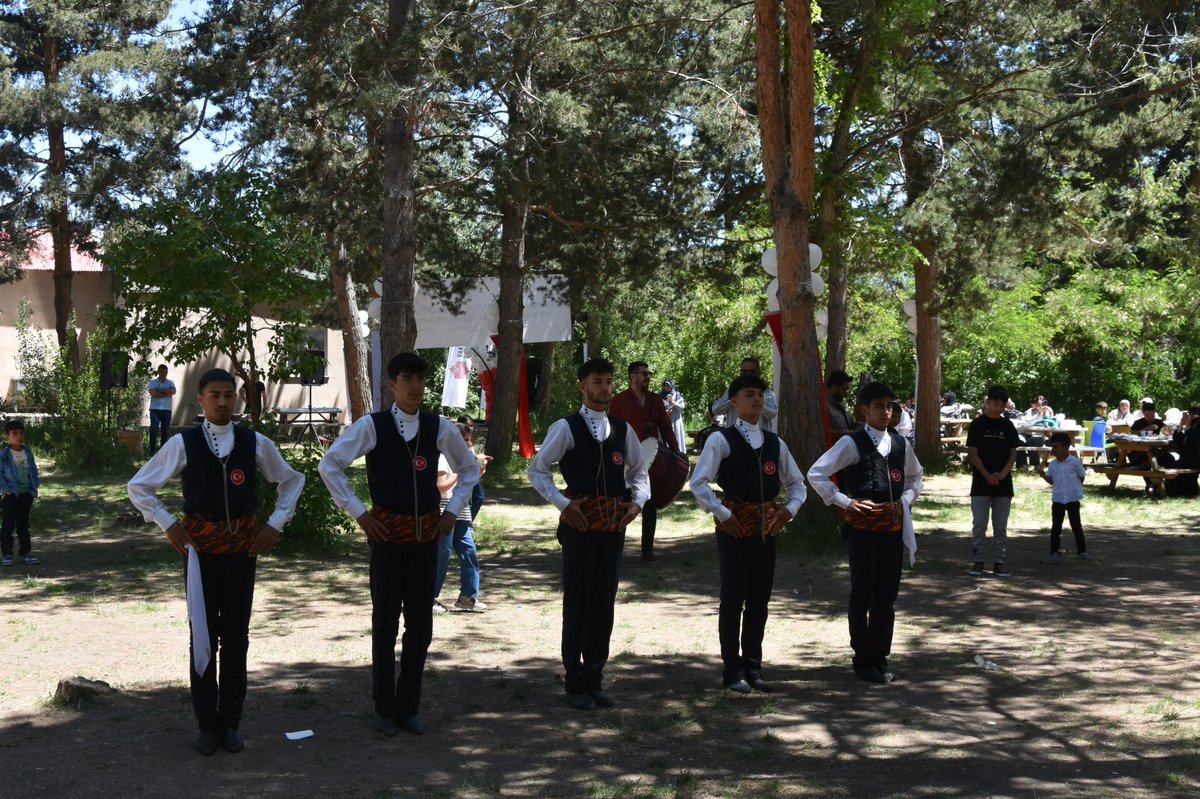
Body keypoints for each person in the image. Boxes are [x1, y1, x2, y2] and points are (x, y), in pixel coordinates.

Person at [127, 368, 304, 756]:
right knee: (203, 641)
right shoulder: (184, 444)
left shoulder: (253, 442)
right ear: (201, 401)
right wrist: (168, 524)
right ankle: (207, 724)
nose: (223, 402)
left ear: (237, 398)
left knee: (237, 640)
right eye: (215, 396)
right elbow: (139, 486)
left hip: (242, 554)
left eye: (229, 395)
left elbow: (292, 480)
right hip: (201, 557)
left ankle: (232, 723)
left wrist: (275, 524)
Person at [317, 352, 480, 737]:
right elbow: (330, 465)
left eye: (420, 378)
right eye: (407, 378)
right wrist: (359, 513)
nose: (415, 386)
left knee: (421, 624)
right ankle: (384, 706)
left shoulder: (439, 427)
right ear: (391, 384)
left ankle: (410, 704)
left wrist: (451, 511)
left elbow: (469, 469)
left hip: (426, 538)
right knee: (385, 621)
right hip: (387, 538)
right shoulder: (371, 427)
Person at [527, 358, 649, 710]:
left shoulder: (623, 430)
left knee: (604, 601)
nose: (605, 388)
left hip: (612, 526)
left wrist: (637, 503)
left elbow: (640, 473)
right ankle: (575, 682)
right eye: (597, 381)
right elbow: (538, 470)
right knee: (577, 602)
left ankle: (596, 677)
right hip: (579, 526)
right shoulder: (565, 428)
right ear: (582, 385)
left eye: (609, 381)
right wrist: (563, 505)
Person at [689, 372, 806, 693]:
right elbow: (699, 482)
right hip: (734, 527)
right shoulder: (720, 439)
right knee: (732, 598)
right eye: (749, 394)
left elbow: (797, 484)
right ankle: (732, 670)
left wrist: (787, 511)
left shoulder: (774, 443)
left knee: (759, 599)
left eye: (760, 395)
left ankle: (753, 665)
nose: (756, 400)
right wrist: (723, 513)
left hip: (766, 526)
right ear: (734, 402)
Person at [808, 382, 924, 684]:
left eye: (889, 406)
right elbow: (816, 472)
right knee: (863, 592)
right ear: (864, 410)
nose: (886, 412)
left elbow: (915, 477)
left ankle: (880, 655)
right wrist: (844, 501)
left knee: (886, 594)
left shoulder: (900, 445)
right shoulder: (852, 444)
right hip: (863, 530)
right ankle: (862, 658)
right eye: (878, 406)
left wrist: (906, 501)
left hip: (893, 528)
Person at [608, 360, 678, 562]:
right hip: (624, 459)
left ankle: (647, 550)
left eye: (649, 374)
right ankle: (615, 547)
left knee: (649, 503)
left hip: (650, 459)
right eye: (644, 374)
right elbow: (610, 429)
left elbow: (666, 428)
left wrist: (676, 452)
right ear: (633, 377)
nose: (649, 377)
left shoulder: (655, 400)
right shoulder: (619, 400)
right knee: (620, 502)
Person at [433, 421, 487, 613]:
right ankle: (430, 598)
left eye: (470, 441)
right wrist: (460, 472)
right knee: (442, 554)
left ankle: (468, 596)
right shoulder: (443, 458)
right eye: (465, 440)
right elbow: (441, 487)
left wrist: (475, 473)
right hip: (444, 511)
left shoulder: (463, 459)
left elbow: (465, 486)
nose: (469, 445)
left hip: (461, 512)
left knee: (469, 552)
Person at [966, 386, 1019, 578]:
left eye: (1002, 403)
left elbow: (1013, 454)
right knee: (979, 524)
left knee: (1000, 526)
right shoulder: (977, 424)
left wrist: (1003, 474)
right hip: (980, 483)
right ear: (988, 402)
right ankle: (978, 561)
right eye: (995, 402)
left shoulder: (1009, 426)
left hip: (1003, 484)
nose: (999, 406)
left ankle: (999, 562)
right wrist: (987, 475)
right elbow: (973, 453)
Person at [1037, 432, 1088, 562]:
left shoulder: (1075, 462)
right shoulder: (1053, 465)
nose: (1053, 449)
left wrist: (1074, 488)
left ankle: (1082, 551)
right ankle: (1054, 551)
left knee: (1076, 526)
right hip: (1058, 499)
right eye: (1052, 446)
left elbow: (1081, 477)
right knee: (1056, 527)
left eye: (1056, 446)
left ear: (1066, 447)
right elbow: (1052, 480)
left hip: (1072, 498)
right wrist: (1043, 475)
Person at [1, 420, 41, 567]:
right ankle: (7, 554)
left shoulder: (27, 452)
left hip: (26, 494)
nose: (18, 436)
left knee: (23, 525)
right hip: (11, 496)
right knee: (7, 525)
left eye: (21, 433)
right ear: (7, 437)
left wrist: (34, 486)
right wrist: (7, 490)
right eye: (14, 434)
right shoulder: (4, 455)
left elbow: (34, 471)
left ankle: (26, 553)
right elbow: (0, 475)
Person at [712, 357, 779, 433]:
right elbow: (715, 410)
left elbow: (772, 413)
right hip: (735, 440)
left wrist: (756, 400)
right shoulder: (731, 391)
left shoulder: (767, 393)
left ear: (758, 372)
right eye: (744, 372)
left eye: (752, 372)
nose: (747, 375)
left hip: (761, 441)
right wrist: (735, 399)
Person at [147, 364, 177, 455]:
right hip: (155, 409)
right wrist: (166, 393)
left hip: (167, 409)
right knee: (154, 429)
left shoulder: (170, 382)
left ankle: (163, 451)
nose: (164, 373)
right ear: (159, 372)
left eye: (166, 372)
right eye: (162, 372)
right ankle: (152, 450)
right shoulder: (153, 382)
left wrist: (159, 390)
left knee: (165, 431)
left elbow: (173, 391)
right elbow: (153, 393)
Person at [1171, 407, 1200, 497]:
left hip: (1196, 459)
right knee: (1170, 462)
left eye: (1192, 416)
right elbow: (1180, 441)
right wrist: (1181, 425)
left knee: (1176, 465)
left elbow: (1193, 442)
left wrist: (1188, 427)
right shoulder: (1192, 426)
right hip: (1187, 458)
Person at [660, 379, 687, 454]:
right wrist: (664, 412)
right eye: (665, 385)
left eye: (668, 385)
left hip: (675, 420)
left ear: (672, 386)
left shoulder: (677, 395)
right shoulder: (661, 395)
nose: (667, 387)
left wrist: (674, 403)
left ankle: (678, 452)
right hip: (664, 419)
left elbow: (682, 407)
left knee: (676, 435)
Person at [826, 370, 855, 439]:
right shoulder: (823, 406)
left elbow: (850, 423)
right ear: (834, 387)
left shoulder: (840, 405)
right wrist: (847, 433)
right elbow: (822, 432)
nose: (846, 394)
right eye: (844, 389)